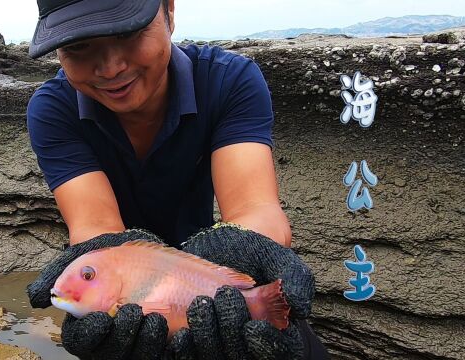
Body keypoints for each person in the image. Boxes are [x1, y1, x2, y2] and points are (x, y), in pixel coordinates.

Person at [25, 0, 331, 359]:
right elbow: (94, 228)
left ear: (169, 11)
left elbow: (257, 208)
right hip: (129, 299)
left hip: (216, 273)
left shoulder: (229, 80)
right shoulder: (53, 109)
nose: (111, 68)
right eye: (78, 46)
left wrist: (235, 256)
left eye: (128, 32)